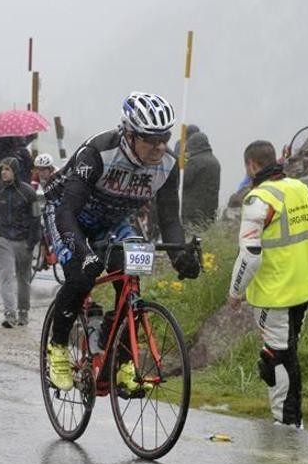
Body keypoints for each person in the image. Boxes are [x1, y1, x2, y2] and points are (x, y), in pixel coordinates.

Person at [42, 92, 201, 392]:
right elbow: (66, 213)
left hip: (112, 222)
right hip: (66, 212)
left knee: (132, 277)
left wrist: (181, 256)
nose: (159, 146)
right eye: (150, 139)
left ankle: (122, 358)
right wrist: (82, 253)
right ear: (129, 134)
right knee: (81, 276)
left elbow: (169, 219)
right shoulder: (97, 153)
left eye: (164, 137)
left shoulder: (167, 164)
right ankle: (58, 349)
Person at [227, 140, 308, 429]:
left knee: (276, 358)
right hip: (304, 286)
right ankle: (293, 422)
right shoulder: (300, 189)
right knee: (287, 354)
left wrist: (235, 291)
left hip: (275, 292)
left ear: (251, 165)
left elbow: (251, 254)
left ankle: (288, 426)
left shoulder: (258, 199)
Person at [0, 157, 39, 327]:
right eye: (2, 169)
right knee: (7, 276)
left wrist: (32, 241)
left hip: (24, 241)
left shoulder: (29, 193)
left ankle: (23, 312)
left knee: (24, 279)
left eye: (7, 169)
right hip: (3, 240)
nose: (3, 172)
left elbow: (36, 218)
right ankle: (10, 314)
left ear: (15, 171)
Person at [181, 131, 221, 228]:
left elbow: (183, 182)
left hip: (192, 211)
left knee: (190, 236)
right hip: (210, 210)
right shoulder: (215, 161)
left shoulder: (194, 161)